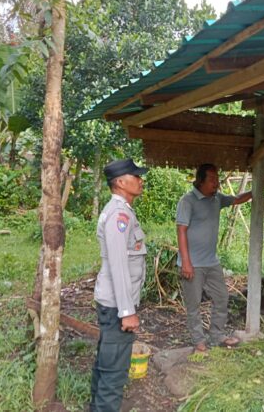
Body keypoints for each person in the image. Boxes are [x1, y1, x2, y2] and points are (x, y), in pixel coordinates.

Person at [90, 158, 148, 412]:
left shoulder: (121, 210)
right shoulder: (119, 215)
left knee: (107, 364)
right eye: (136, 177)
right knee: (114, 372)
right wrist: (127, 312)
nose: (141, 180)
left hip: (114, 303)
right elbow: (118, 265)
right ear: (121, 182)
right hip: (116, 306)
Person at [176, 163, 252, 352]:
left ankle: (217, 335)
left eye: (217, 179)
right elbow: (181, 231)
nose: (216, 183)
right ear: (200, 181)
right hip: (192, 264)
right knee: (193, 305)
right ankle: (198, 340)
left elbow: (236, 199)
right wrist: (186, 262)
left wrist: (256, 189)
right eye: (212, 179)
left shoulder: (217, 199)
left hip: (211, 262)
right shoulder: (187, 201)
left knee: (222, 297)